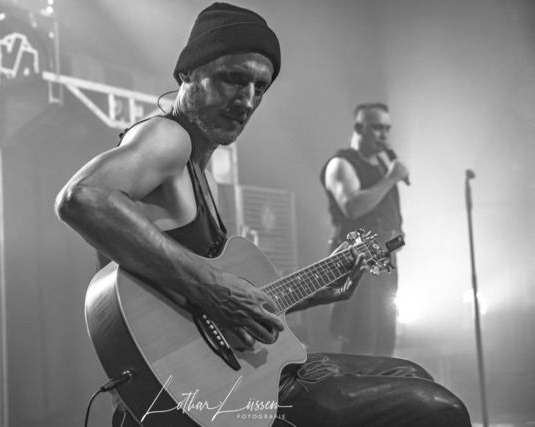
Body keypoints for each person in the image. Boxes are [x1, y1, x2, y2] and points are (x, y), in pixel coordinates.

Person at [56, 3, 470, 426]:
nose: (247, 100)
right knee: (440, 409)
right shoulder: (168, 138)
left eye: (260, 87)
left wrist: (312, 292)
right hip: (193, 394)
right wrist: (212, 286)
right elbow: (83, 197)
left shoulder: (202, 173)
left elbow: (203, 313)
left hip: (219, 378)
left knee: (412, 374)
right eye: (233, 78)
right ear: (187, 74)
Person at [321, 102, 407, 357]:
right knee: (359, 344)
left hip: (383, 265)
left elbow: (388, 221)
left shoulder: (382, 166)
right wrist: (391, 178)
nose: (384, 134)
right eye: (377, 128)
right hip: (355, 264)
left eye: (387, 128)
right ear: (359, 128)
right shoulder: (341, 164)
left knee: (384, 344)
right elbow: (352, 208)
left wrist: (396, 241)